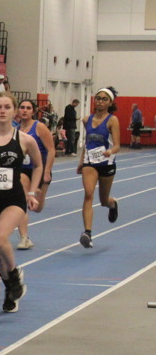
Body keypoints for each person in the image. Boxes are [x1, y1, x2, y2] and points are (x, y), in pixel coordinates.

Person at [0, 92, 41, 313]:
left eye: (7, 107)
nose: (3, 111)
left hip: (13, 199)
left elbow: (38, 165)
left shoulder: (25, 140)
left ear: (14, 112)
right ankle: (11, 291)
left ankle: (14, 275)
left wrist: (31, 192)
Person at [76, 87, 120, 248]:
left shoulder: (112, 120)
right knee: (88, 194)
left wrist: (110, 151)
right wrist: (82, 161)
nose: (100, 101)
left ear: (110, 103)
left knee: (103, 200)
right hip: (90, 163)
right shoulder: (86, 119)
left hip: (106, 163)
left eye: (104, 99)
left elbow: (117, 145)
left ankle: (112, 204)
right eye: (98, 98)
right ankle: (87, 233)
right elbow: (88, 142)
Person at [14, 98, 55, 250]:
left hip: (39, 169)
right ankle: (24, 238)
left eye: (28, 108)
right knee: (21, 201)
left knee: (37, 208)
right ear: (18, 110)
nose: (24, 110)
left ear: (33, 111)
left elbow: (51, 149)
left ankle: (38, 192)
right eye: (22, 107)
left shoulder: (39, 127)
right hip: (23, 170)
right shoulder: (16, 130)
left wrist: (47, 171)